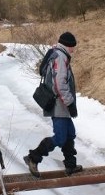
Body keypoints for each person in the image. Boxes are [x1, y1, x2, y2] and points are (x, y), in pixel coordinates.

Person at [24, 32, 83, 178]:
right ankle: (33, 157)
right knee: (61, 137)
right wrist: (70, 104)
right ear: (68, 46)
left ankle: (70, 165)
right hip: (59, 104)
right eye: (72, 47)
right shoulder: (60, 57)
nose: (73, 50)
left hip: (59, 102)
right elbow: (60, 83)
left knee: (70, 134)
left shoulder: (56, 54)